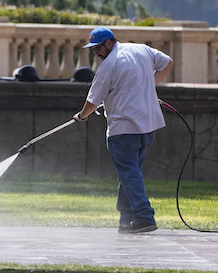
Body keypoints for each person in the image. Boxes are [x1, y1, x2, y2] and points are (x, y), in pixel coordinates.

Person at [72, 26, 173, 234]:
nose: (97, 53)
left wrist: (81, 116)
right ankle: (127, 220)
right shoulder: (141, 50)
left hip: (123, 129)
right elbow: (168, 63)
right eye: (93, 50)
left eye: (98, 48)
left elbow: (92, 101)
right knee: (129, 174)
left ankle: (145, 217)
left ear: (110, 42)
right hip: (148, 127)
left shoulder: (108, 65)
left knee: (129, 174)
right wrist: (148, 84)